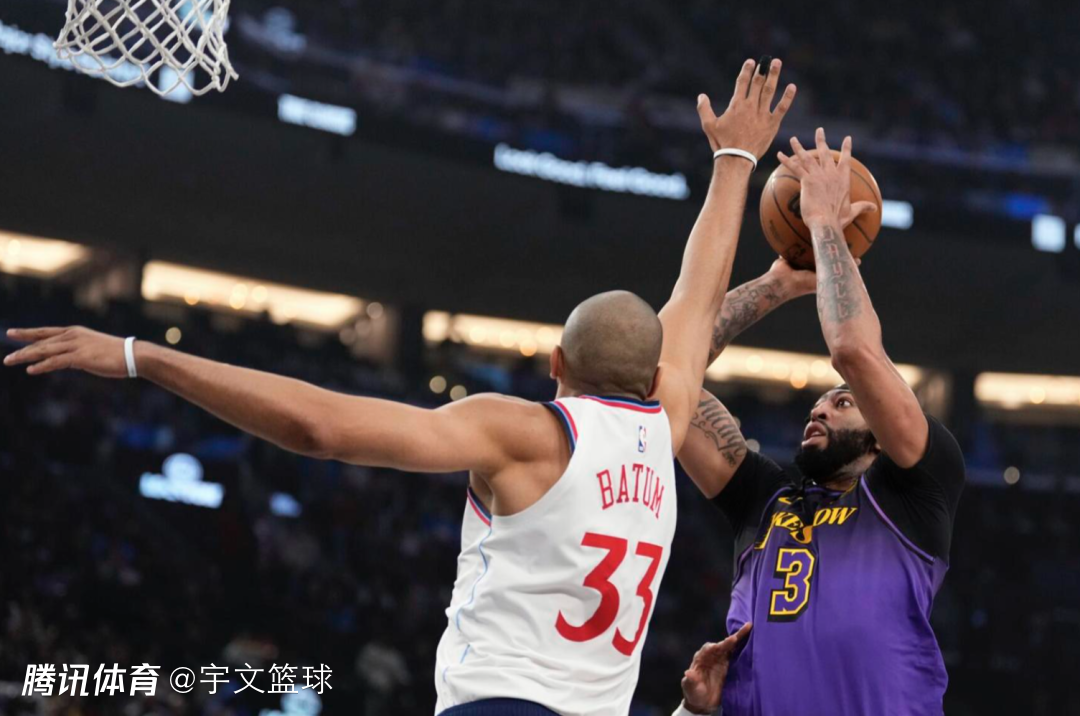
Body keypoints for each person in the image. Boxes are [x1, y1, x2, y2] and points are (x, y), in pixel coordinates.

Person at [4, 59, 797, 716]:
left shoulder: (524, 431)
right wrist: (736, 164)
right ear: (655, 375)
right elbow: (698, 294)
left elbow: (318, 428)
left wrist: (143, 356)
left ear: (555, 364)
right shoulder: (667, 418)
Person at [673, 131, 966, 716]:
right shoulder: (764, 499)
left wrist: (825, 225)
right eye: (820, 404)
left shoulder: (916, 490)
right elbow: (662, 378)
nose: (819, 408)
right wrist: (773, 286)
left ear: (880, 434)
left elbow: (853, 350)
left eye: (843, 403)